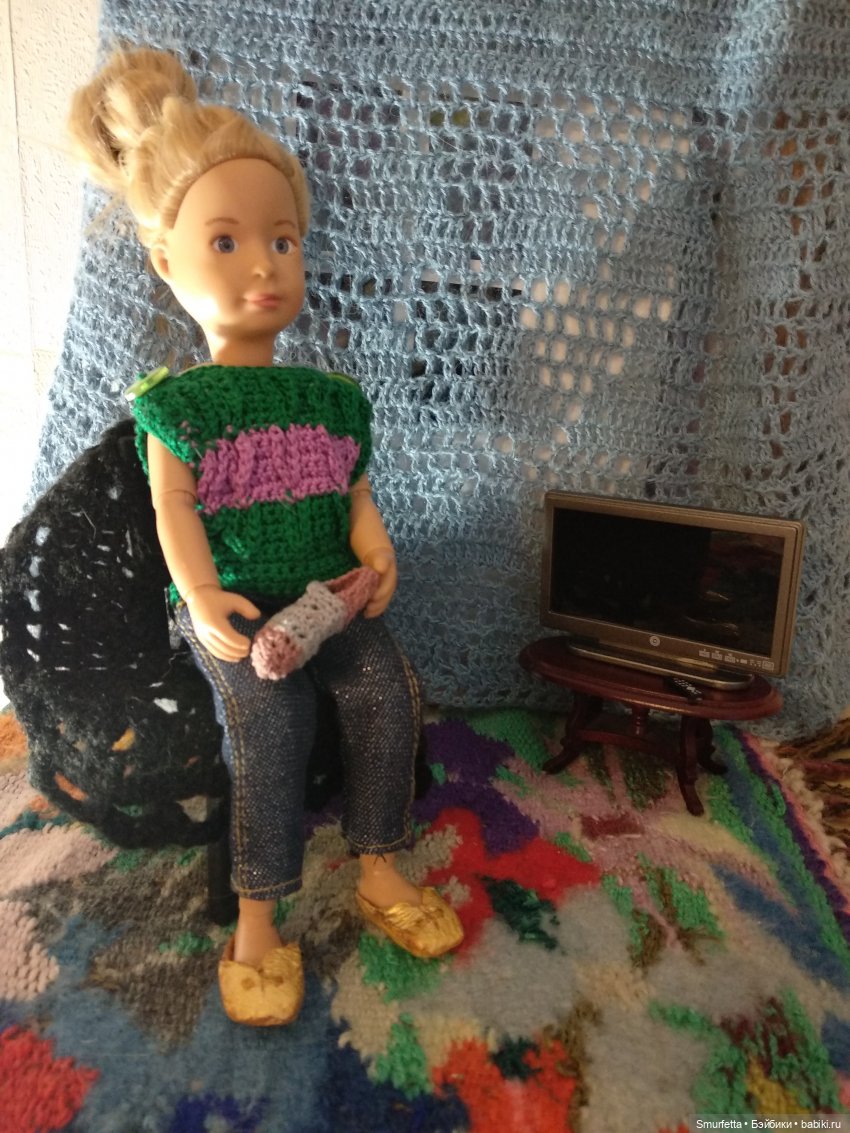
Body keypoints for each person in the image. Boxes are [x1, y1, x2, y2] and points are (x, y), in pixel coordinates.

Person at [67, 47, 462, 1027]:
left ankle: (378, 863)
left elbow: (352, 487)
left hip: (331, 594)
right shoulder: (179, 405)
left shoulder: (331, 397)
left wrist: (374, 551)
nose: (263, 266)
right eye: (227, 241)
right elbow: (174, 510)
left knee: (385, 688)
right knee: (269, 718)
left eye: (282, 241)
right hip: (238, 604)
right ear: (168, 263)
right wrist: (202, 597)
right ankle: (257, 913)